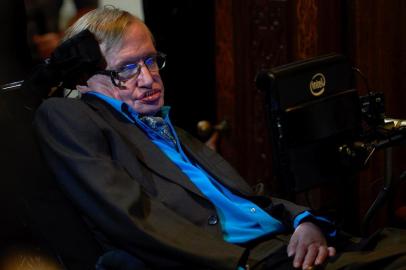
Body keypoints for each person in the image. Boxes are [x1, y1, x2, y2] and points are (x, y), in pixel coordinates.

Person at [33, 7, 406, 270]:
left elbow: (249, 198)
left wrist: (304, 222)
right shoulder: (72, 115)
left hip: (288, 246)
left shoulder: (168, 130)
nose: (147, 79)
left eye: (150, 61)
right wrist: (241, 264)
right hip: (237, 258)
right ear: (86, 78)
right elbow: (131, 216)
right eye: (127, 69)